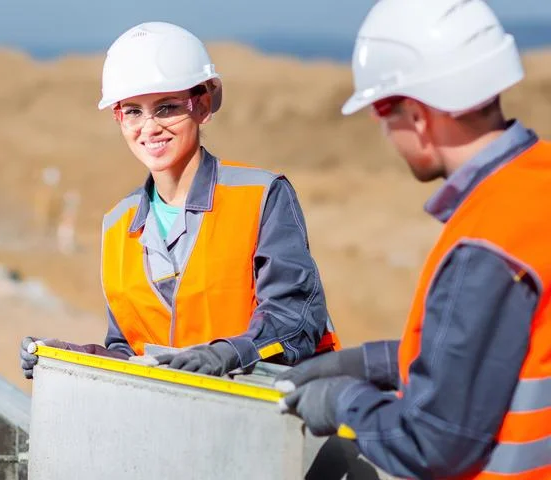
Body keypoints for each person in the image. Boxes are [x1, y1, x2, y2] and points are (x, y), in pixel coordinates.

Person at [275, 0, 551, 478]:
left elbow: (434, 442)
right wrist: (376, 362)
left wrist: (345, 401)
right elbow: (506, 345)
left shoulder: (486, 244)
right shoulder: (537, 182)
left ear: (419, 115)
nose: (384, 131)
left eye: (382, 112)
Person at [20, 21, 340, 380]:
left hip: (262, 410)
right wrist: (74, 358)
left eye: (167, 107)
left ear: (201, 106)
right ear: (118, 118)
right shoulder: (117, 224)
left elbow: (296, 317)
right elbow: (131, 350)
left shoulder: (262, 195)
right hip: (174, 416)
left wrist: (229, 354)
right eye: (134, 111)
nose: (150, 127)